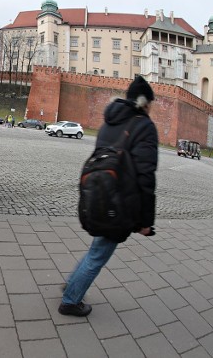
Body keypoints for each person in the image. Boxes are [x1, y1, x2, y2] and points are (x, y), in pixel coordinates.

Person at [59, 76, 158, 317]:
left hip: (97, 194)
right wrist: (146, 221)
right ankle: (71, 300)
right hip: (120, 201)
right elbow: (145, 176)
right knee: (99, 252)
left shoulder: (108, 122)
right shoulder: (144, 126)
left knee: (97, 247)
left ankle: (72, 284)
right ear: (145, 102)